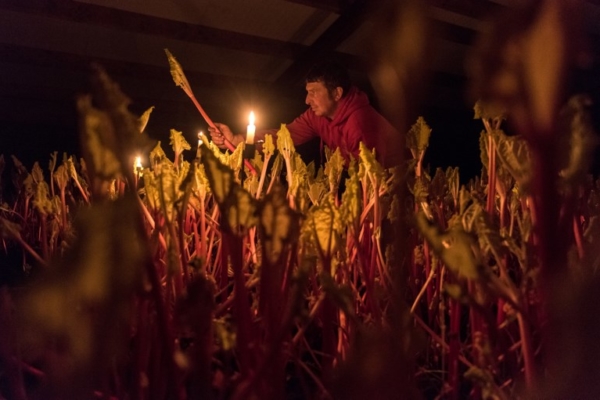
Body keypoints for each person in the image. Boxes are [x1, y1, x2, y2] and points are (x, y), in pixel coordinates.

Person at [209, 62, 402, 168]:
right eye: (307, 92)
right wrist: (238, 139)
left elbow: (369, 174)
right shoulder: (316, 116)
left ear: (336, 93)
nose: (307, 100)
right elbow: (284, 136)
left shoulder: (360, 121)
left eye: (314, 92)